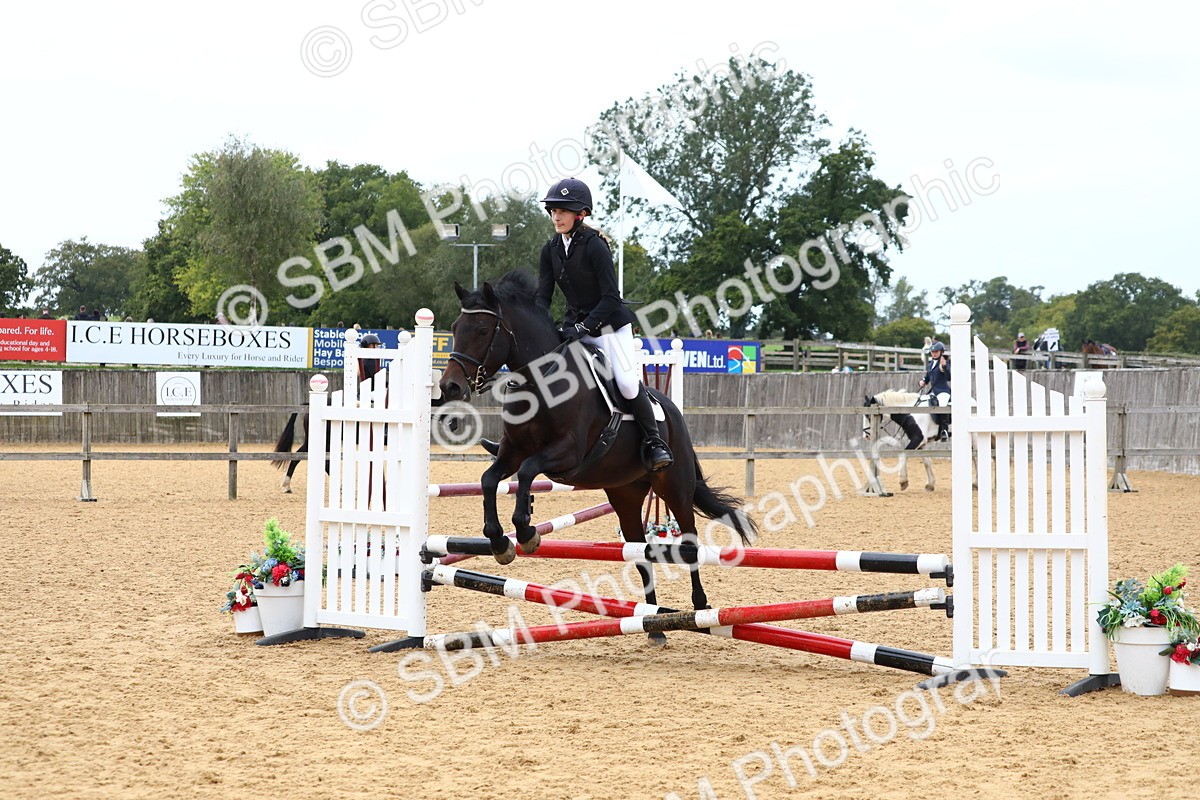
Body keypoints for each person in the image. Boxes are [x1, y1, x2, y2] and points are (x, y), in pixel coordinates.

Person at [535, 177, 673, 471]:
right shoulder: (550, 250)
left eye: (563, 211)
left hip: (610, 326)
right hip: (575, 326)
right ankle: (525, 439)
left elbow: (611, 297)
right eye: (553, 211)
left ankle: (654, 442)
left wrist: (584, 329)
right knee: (546, 372)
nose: (556, 216)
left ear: (580, 214)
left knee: (624, 381)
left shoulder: (595, 246)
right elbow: (542, 298)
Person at [918, 340, 951, 440]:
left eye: (936, 351)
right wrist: (923, 381)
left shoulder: (946, 362)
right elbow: (928, 376)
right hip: (933, 391)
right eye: (933, 352)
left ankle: (944, 430)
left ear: (941, 352)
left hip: (943, 391)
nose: (934, 353)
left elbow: (949, 377)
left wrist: (944, 366)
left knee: (942, 404)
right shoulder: (930, 364)